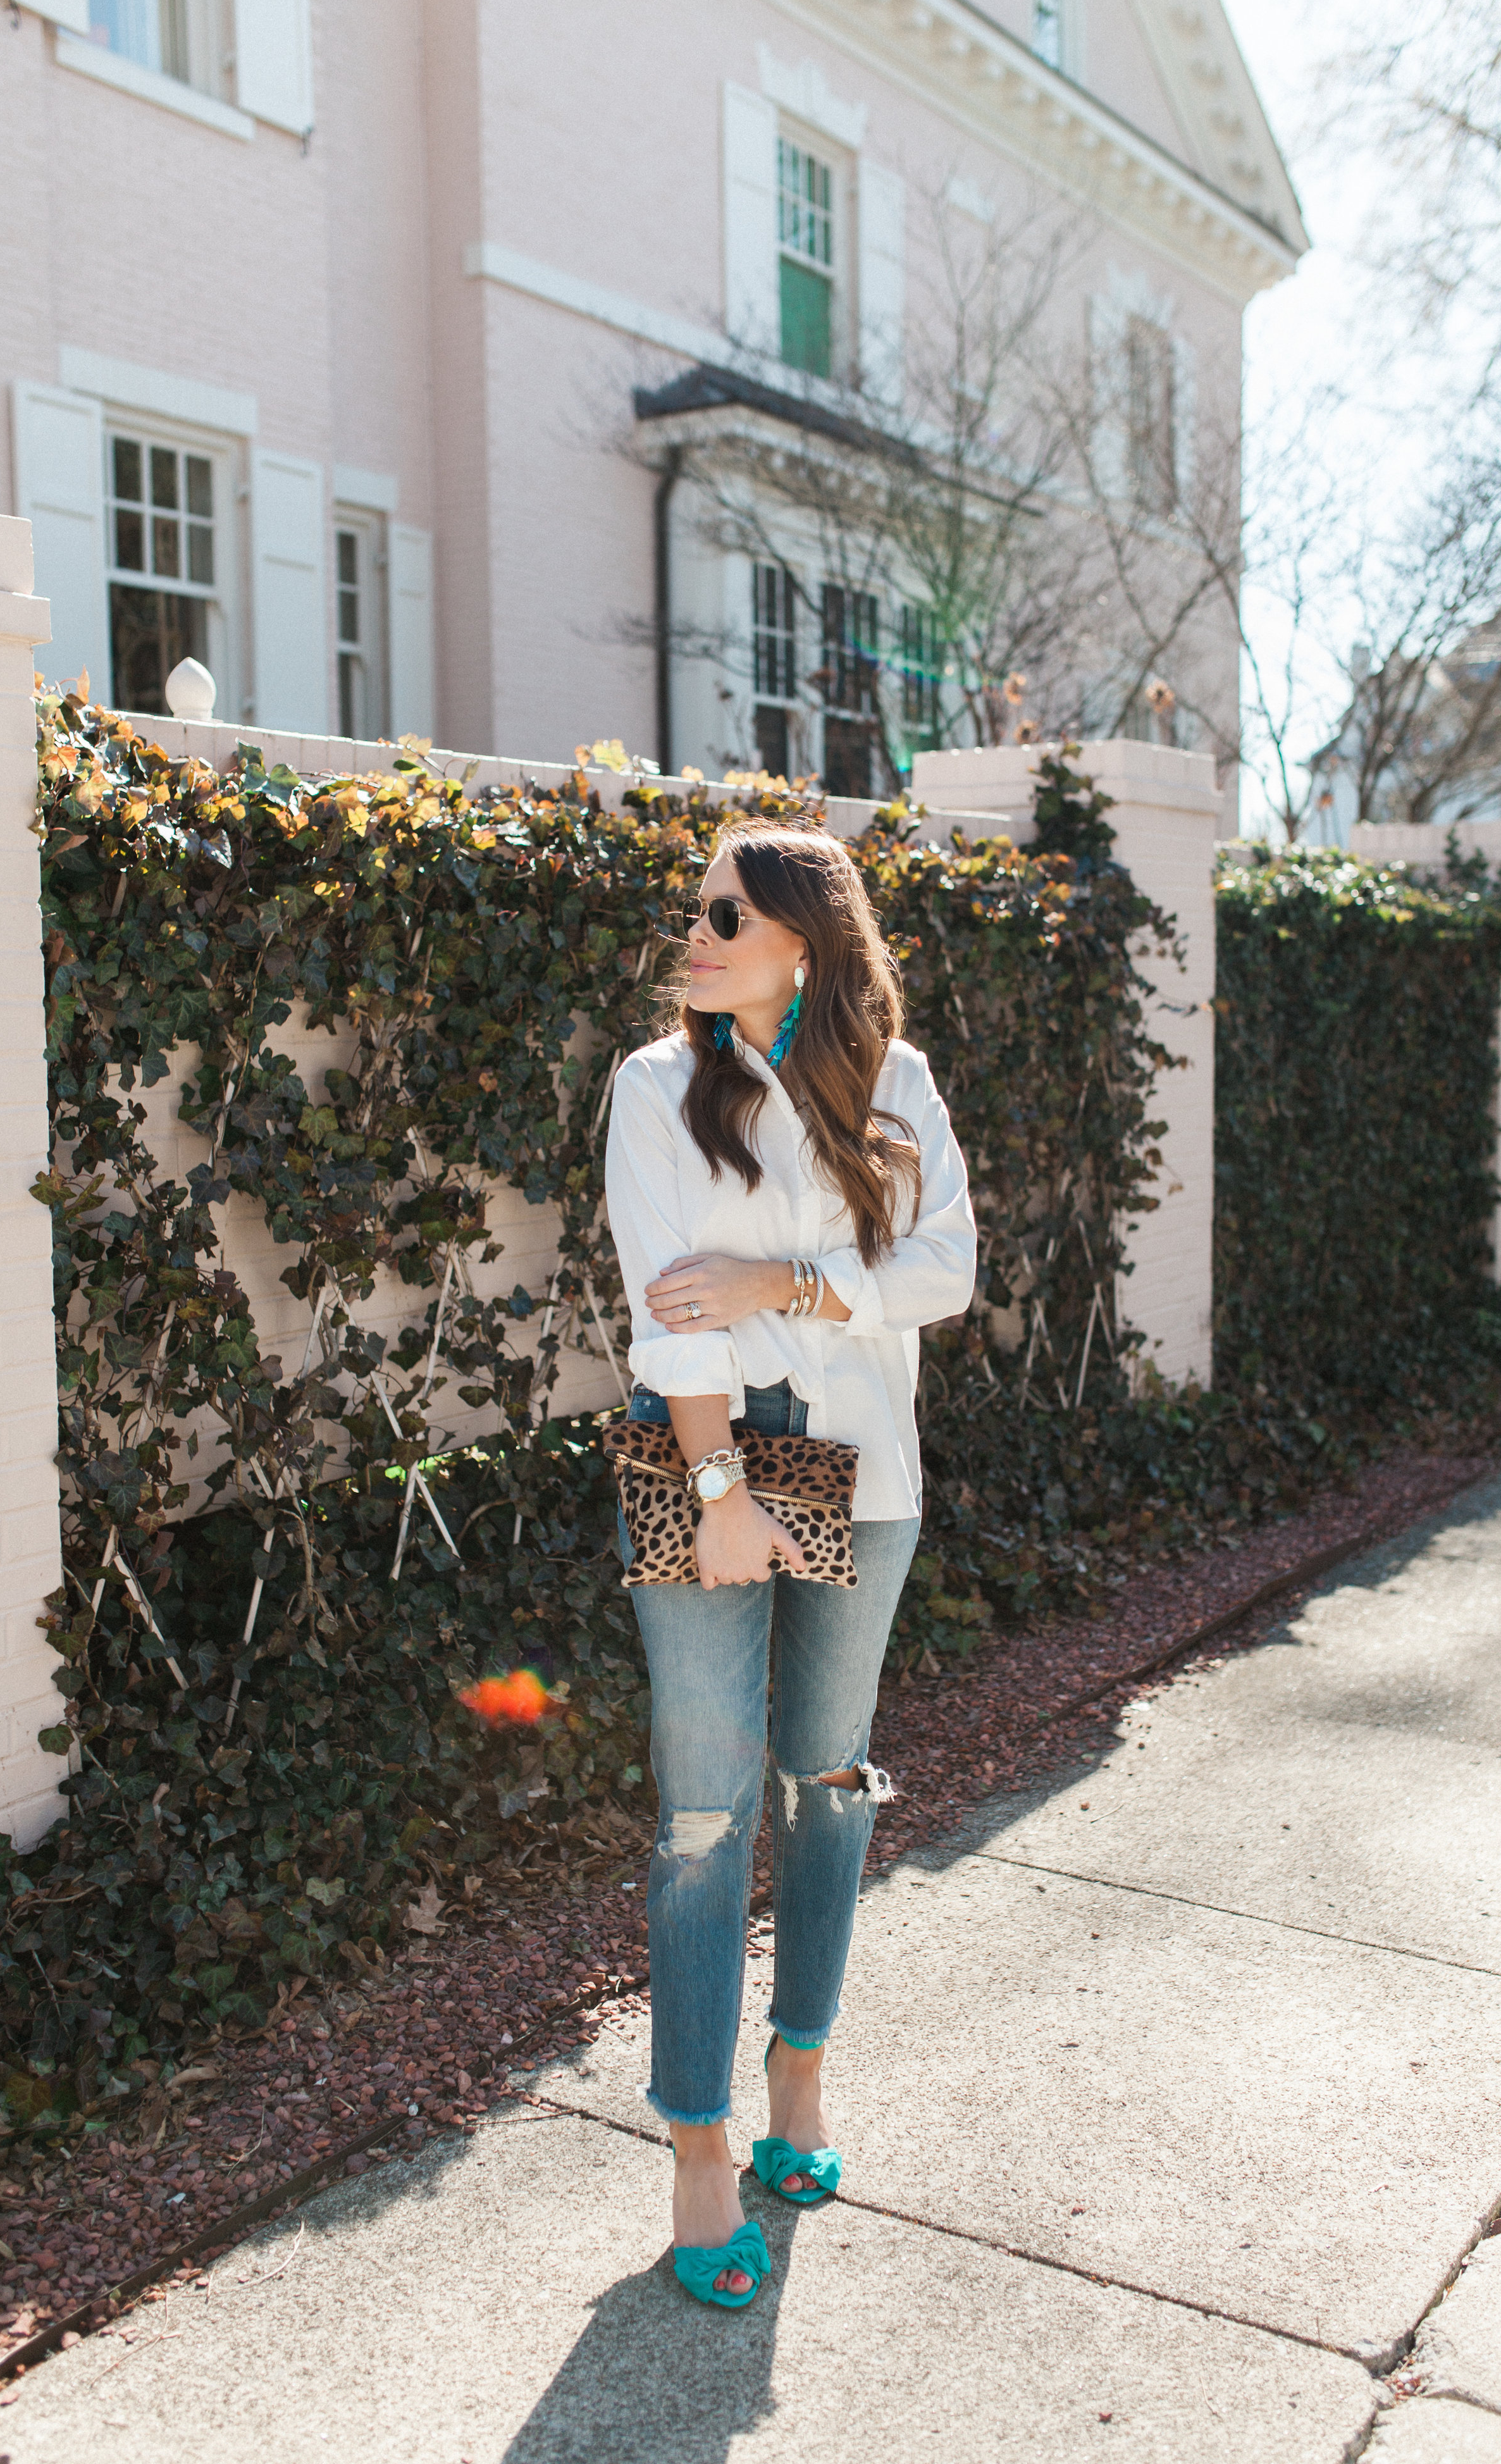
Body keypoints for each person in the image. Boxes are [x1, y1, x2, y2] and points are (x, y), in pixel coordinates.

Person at [603, 819, 977, 2308]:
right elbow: (666, 1308)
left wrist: (785, 1281)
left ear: (801, 946)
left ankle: (797, 2068)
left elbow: (943, 1272)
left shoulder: (895, 1084)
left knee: (827, 1776)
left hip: (861, 1461)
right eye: (694, 912)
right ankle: (699, 2139)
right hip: (707, 1449)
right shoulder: (650, 1087)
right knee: (701, 1804)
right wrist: (714, 1489)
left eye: (723, 915)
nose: (690, 935)